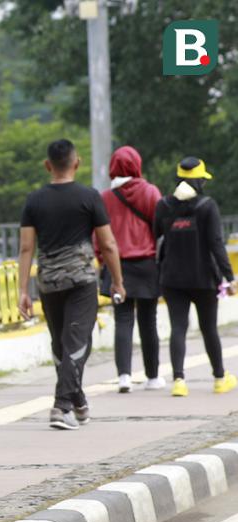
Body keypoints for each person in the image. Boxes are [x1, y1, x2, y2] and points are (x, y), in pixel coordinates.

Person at [18, 139, 126, 431]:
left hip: (48, 281)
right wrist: (117, 281)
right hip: (81, 281)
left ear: (47, 165)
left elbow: (26, 248)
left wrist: (22, 291)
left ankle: (77, 402)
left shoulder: (34, 200)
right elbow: (108, 243)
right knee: (77, 342)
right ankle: (61, 406)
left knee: (61, 343)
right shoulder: (89, 197)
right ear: (76, 163)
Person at [154, 156, 236, 397]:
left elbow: (155, 235)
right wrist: (229, 277)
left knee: (178, 327)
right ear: (200, 181)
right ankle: (220, 378)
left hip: (172, 278)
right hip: (203, 279)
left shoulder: (164, 206)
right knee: (209, 328)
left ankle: (179, 381)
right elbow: (216, 243)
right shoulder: (207, 206)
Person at [97, 146, 163, 393]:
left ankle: (124, 376)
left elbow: (99, 236)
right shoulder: (150, 192)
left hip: (118, 267)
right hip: (147, 264)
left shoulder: (105, 198)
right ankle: (153, 377)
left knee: (123, 321)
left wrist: (101, 259)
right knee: (149, 321)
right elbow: (160, 226)